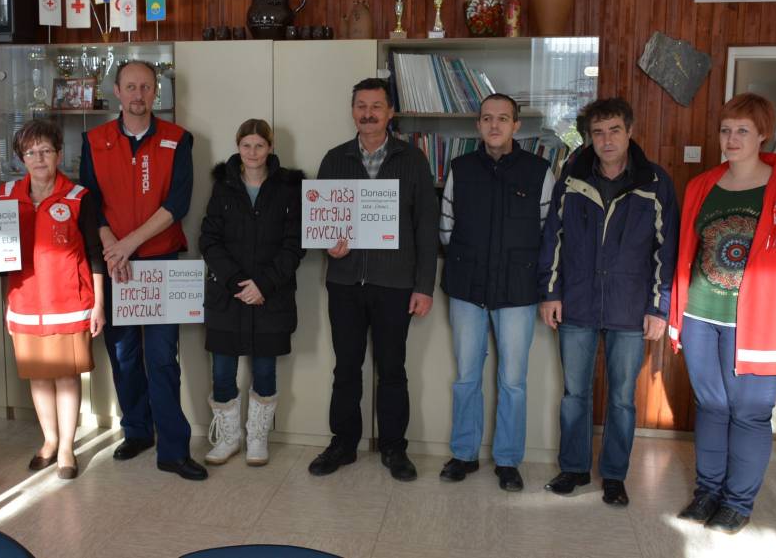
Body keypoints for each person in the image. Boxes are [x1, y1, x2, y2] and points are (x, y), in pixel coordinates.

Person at [668, 93, 776, 534]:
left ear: (763, 135)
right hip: (701, 316)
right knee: (711, 407)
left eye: (742, 131)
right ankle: (707, 493)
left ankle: (737, 503)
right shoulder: (703, 186)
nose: (731, 139)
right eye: (725, 130)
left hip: (757, 323)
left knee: (750, 413)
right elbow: (689, 247)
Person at [537, 97, 678, 506]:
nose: (606, 140)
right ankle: (574, 468)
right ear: (589, 138)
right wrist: (551, 293)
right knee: (574, 395)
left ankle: (614, 475)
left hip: (629, 308)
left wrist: (658, 307)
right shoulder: (571, 178)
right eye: (598, 133)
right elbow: (553, 239)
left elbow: (666, 250)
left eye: (614, 130)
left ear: (629, 132)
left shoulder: (654, 182)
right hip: (577, 302)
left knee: (621, 398)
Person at [79, 60, 206, 480]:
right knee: (124, 355)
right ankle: (136, 431)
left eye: (146, 87)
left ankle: (173, 449)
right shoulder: (94, 140)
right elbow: (89, 202)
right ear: (116, 91)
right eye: (131, 87)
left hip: (159, 263)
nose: (139, 94)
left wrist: (128, 243)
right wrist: (111, 246)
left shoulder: (178, 139)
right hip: (115, 263)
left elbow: (177, 204)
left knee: (162, 357)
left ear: (156, 92)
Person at [308, 78, 439, 481]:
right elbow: (321, 218)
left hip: (394, 284)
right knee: (346, 368)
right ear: (353, 111)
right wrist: (327, 245)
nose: (368, 113)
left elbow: (426, 226)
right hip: (345, 283)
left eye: (376, 106)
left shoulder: (412, 159)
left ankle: (394, 448)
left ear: (390, 112)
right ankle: (343, 444)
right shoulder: (335, 159)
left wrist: (424, 286)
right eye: (361, 106)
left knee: (393, 369)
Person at [437, 94, 554, 491]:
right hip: (467, 287)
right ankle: (464, 454)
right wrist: (467, 258)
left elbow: (548, 231)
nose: (494, 125)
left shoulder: (539, 171)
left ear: (516, 125)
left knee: (513, 380)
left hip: (517, 289)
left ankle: (507, 460)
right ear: (478, 125)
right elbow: (447, 226)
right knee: (466, 377)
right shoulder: (461, 168)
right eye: (487, 118)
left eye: (503, 119)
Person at [0, 120, 106, 480]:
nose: (39, 158)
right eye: (30, 152)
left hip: (69, 302)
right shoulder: (6, 195)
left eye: (45, 150)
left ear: (59, 154)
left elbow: (94, 253)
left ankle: (66, 449)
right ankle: (49, 440)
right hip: (25, 303)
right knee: (39, 377)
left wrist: (99, 305)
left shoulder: (78, 196)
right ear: (21, 158)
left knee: (66, 376)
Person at [199, 119, 305, 467]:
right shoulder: (223, 186)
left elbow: (295, 245)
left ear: (270, 148)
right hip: (227, 298)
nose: (253, 152)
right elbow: (209, 240)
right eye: (246, 145)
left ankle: (258, 438)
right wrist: (236, 283)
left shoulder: (288, 188)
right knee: (221, 372)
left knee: (265, 371)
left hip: (270, 297)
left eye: (260, 145)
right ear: (238, 147)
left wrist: (264, 285)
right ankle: (229, 438)